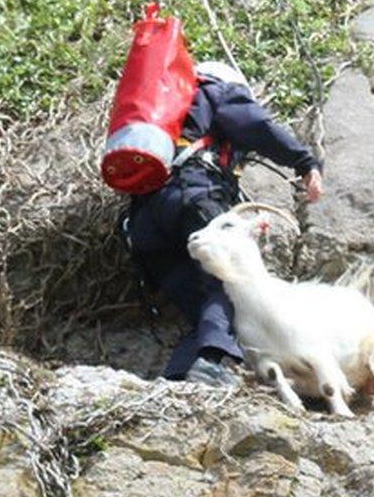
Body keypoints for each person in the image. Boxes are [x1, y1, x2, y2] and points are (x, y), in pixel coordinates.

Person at [118, 62, 324, 387]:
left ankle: (179, 378)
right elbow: (256, 126)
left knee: (204, 305)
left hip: (145, 223)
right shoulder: (215, 90)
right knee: (229, 284)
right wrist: (305, 162)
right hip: (192, 196)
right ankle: (212, 363)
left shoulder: (168, 115)